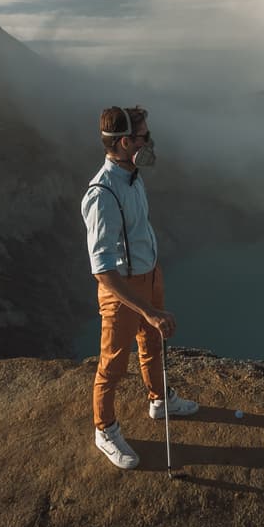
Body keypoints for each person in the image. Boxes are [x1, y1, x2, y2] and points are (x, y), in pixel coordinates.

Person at [80, 105, 199, 469]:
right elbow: (102, 271)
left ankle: (159, 400)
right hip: (122, 292)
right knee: (113, 362)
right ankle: (105, 429)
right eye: (145, 136)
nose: (151, 142)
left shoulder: (132, 175)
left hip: (149, 275)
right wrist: (146, 308)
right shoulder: (102, 194)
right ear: (125, 142)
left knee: (152, 342)